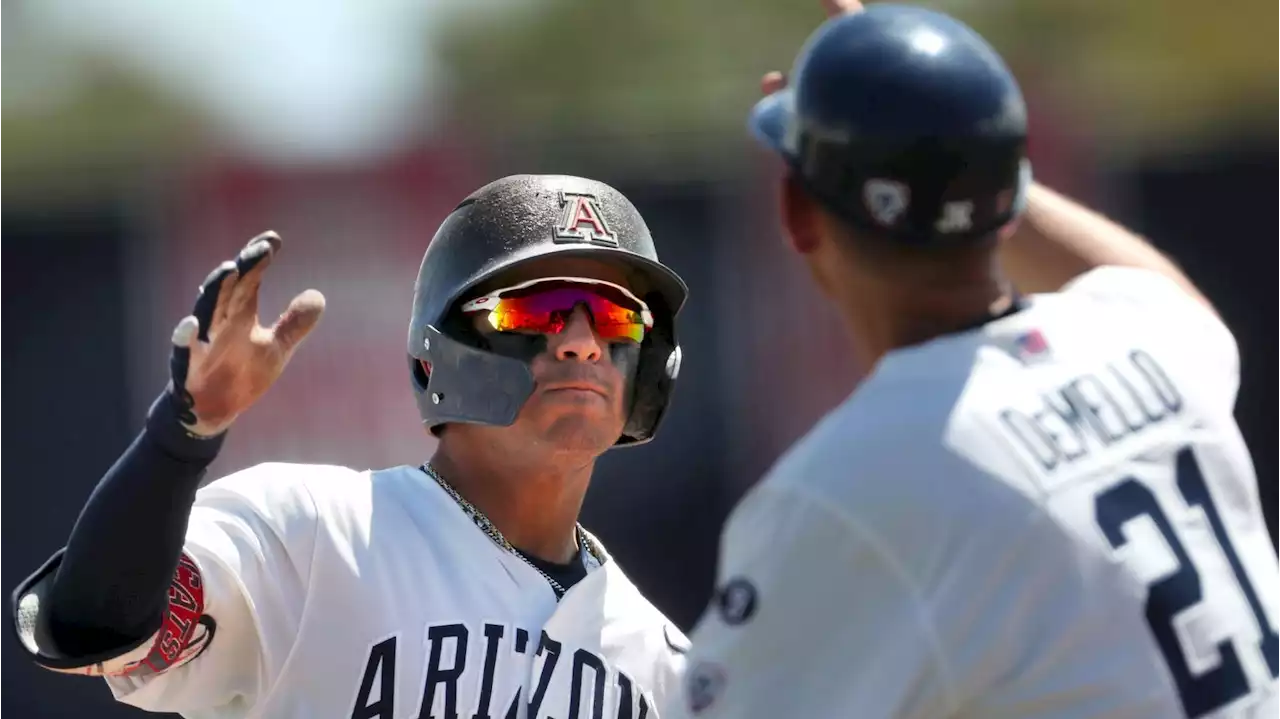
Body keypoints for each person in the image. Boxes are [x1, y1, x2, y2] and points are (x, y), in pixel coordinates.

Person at [670, 2, 1280, 718]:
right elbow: (1168, 295)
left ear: (796, 214)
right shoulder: (1147, 343)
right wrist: (961, 147)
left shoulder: (846, 487)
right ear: (1008, 200)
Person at [13, 174, 692, 718]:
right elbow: (95, 624)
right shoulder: (312, 531)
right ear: (441, 354)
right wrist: (181, 437)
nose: (580, 341)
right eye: (536, 309)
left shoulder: (670, 669)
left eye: (613, 315)